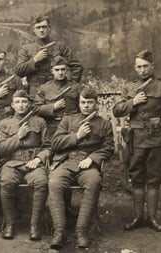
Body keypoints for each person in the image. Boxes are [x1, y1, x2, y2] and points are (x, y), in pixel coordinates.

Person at [48, 87, 114, 249]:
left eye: (89, 102)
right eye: (83, 102)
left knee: (94, 182)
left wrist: (92, 158)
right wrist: (77, 136)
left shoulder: (104, 124)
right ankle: (59, 231)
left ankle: (81, 231)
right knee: (54, 183)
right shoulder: (68, 120)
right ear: (79, 103)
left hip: (87, 164)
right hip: (66, 161)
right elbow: (55, 144)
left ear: (96, 104)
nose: (86, 106)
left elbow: (109, 148)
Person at [113, 49, 161, 232]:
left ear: (153, 66)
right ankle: (138, 217)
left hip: (156, 138)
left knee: (154, 178)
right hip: (136, 139)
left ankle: (152, 218)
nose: (142, 70)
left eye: (145, 66)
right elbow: (117, 110)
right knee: (136, 177)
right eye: (138, 67)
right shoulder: (129, 87)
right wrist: (133, 102)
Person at [0, 90, 50, 241]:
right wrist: (17, 137)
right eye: (18, 102)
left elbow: (49, 147)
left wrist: (39, 159)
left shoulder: (39, 122)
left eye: (24, 102)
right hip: (12, 163)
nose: (21, 105)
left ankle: (34, 225)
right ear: (12, 105)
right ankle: (10, 224)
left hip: (33, 163)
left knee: (41, 182)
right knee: (6, 182)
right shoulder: (5, 123)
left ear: (29, 104)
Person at [14, 15, 83, 97]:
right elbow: (19, 71)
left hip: (57, 91)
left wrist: (69, 85)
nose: (41, 30)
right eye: (38, 27)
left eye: (44, 27)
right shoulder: (26, 48)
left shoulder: (60, 46)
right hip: (36, 92)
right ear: (34, 30)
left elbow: (77, 66)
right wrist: (35, 59)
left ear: (49, 28)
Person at [34, 55, 82, 138]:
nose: (60, 73)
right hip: (52, 128)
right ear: (51, 71)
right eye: (57, 70)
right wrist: (53, 107)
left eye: (63, 69)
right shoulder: (44, 88)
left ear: (67, 70)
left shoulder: (76, 87)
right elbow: (35, 109)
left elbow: (83, 108)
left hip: (71, 127)